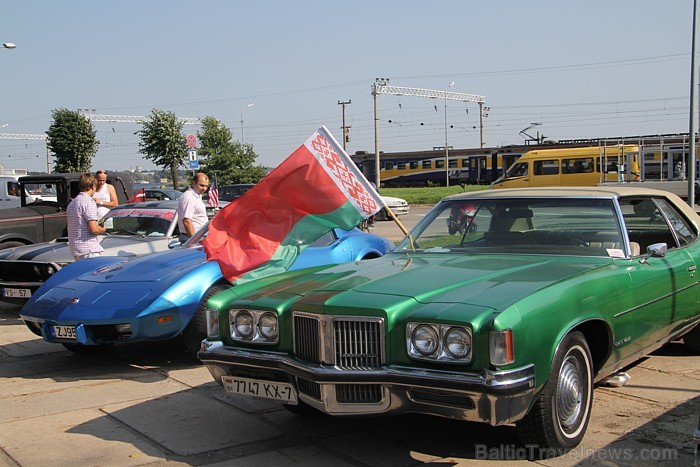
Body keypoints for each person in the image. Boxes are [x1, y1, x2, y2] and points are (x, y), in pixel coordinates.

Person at [67, 173, 107, 260]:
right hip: (89, 249)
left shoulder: (73, 203)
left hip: (76, 248)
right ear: (93, 186)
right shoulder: (89, 202)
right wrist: (103, 229)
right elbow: (93, 229)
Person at [177, 172, 209, 243]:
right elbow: (187, 221)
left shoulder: (196, 196)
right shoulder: (189, 197)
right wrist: (194, 241)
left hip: (198, 236)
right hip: (191, 237)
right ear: (193, 183)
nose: (204, 188)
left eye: (206, 186)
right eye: (201, 185)